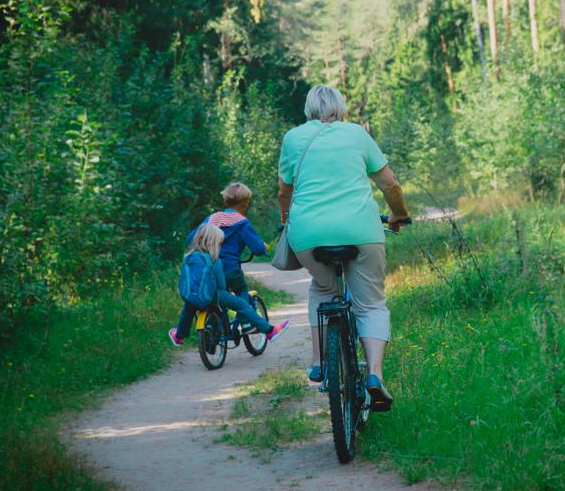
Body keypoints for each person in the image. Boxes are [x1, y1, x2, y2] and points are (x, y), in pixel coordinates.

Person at [277, 85, 410, 411]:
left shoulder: (293, 138)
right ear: (341, 107)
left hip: (308, 234)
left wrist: (286, 222)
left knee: (322, 289)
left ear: (308, 109)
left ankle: (318, 361)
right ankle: (375, 375)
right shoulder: (356, 134)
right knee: (371, 305)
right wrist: (400, 215)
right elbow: (390, 183)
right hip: (361, 231)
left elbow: (284, 193)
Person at [169, 223, 287, 347]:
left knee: (188, 309)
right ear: (214, 242)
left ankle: (179, 337)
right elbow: (221, 284)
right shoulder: (214, 259)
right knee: (241, 304)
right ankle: (269, 331)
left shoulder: (189, 257)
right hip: (214, 295)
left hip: (192, 296)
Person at [188, 182, 268, 299]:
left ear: (225, 202)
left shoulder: (211, 219)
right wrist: (264, 247)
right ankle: (246, 316)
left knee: (219, 302)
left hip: (208, 268)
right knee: (241, 294)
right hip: (230, 270)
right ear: (246, 203)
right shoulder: (243, 223)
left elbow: (191, 239)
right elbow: (258, 249)